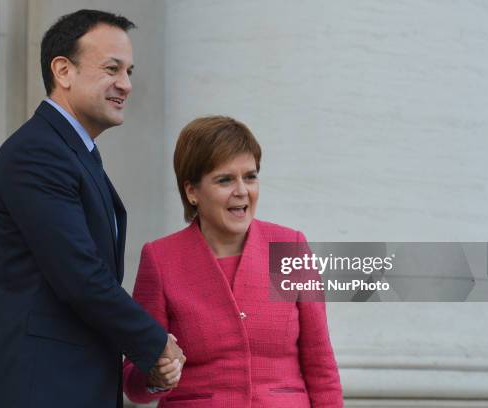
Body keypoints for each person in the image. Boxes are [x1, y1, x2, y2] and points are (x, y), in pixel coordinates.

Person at [0, 10, 184, 408]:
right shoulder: (38, 154)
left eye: (130, 71)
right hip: (38, 389)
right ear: (63, 71)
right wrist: (154, 342)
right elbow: (80, 275)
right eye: (111, 69)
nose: (126, 84)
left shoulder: (72, 152)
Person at [123, 116, 344, 407]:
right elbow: (132, 380)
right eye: (225, 179)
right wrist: (155, 377)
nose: (242, 191)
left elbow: (321, 366)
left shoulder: (289, 249)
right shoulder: (161, 259)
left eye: (250, 176)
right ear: (192, 192)